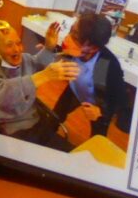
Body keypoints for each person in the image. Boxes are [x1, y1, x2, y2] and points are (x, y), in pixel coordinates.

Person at [38, 12, 130, 147]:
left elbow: (121, 99)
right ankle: (40, 142)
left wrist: (101, 111)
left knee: (97, 137)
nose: (67, 38)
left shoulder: (104, 65)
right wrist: (48, 50)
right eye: (71, 31)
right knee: (55, 116)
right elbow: (66, 55)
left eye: (75, 37)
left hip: (97, 103)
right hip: (75, 89)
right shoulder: (78, 51)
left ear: (94, 48)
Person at [0, 23, 79, 139]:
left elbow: (37, 63)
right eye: (9, 45)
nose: (17, 49)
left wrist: (48, 48)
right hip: (8, 133)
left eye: (18, 43)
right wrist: (44, 76)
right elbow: (2, 95)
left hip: (35, 121)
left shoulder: (24, 59)